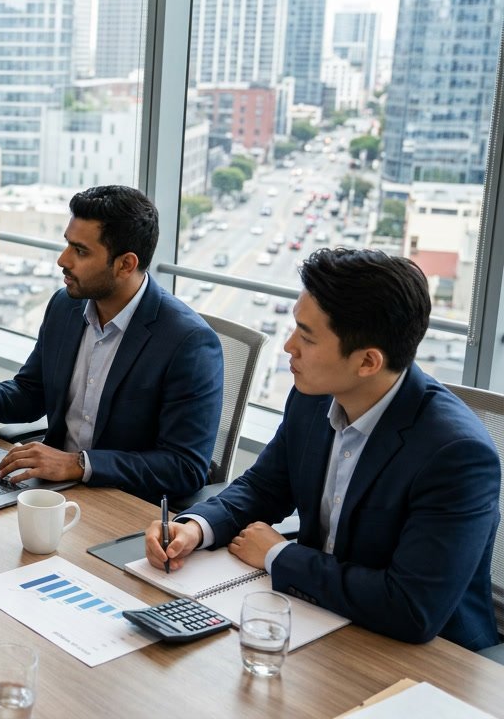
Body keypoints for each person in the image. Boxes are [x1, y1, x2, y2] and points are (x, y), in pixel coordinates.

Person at [147, 248, 500, 650]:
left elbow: (411, 607)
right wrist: (195, 528)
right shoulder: (313, 397)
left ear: (368, 362)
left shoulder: (457, 455)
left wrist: (279, 557)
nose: (288, 347)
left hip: (428, 659)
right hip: (318, 619)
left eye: (307, 336)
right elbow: (264, 487)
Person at [0, 185, 223, 505]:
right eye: (67, 244)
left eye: (81, 251)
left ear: (126, 264)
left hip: (124, 502)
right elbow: (32, 394)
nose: (63, 260)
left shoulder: (189, 343)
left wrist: (78, 465)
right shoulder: (66, 306)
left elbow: (184, 467)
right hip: (51, 490)